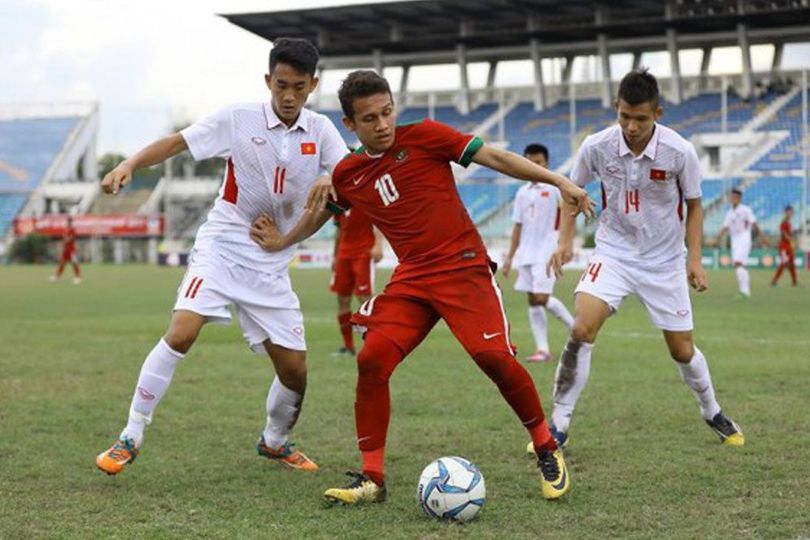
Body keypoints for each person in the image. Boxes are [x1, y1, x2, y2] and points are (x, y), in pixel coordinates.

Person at [250, 70, 595, 504]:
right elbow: (322, 214)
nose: (383, 124)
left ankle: (547, 447)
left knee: (494, 359)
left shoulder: (427, 136)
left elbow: (497, 158)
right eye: (370, 118)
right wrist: (284, 239)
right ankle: (372, 478)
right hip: (413, 277)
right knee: (372, 359)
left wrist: (560, 180)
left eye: (388, 112)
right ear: (350, 125)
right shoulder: (349, 173)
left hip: (463, 267)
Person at [95, 38, 346, 476]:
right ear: (268, 80)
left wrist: (326, 180)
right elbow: (177, 142)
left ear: (313, 86)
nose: (289, 96)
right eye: (281, 85)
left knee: (295, 372)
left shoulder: (323, 131)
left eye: (299, 88)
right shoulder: (237, 118)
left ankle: (275, 442)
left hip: (271, 261)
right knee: (182, 330)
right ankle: (130, 435)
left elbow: (346, 183)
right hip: (224, 245)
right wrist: (130, 164)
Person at [546, 69, 744, 450]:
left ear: (658, 113)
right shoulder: (596, 146)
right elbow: (572, 191)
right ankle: (558, 425)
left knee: (681, 350)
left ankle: (712, 410)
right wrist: (564, 243)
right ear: (616, 109)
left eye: (641, 118)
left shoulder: (679, 151)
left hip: (665, 261)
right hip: (614, 253)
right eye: (624, 117)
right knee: (581, 329)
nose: (631, 127)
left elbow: (695, 204)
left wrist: (695, 260)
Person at [502, 144, 574, 363]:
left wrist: (567, 245)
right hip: (526, 252)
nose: (534, 167)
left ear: (547, 164)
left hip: (547, 251)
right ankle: (542, 349)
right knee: (533, 300)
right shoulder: (522, 192)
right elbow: (517, 226)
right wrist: (510, 256)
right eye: (530, 162)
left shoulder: (555, 187)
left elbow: (569, 213)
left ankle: (576, 328)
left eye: (538, 163)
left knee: (542, 297)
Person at [330, 207, 383, 356]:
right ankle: (348, 347)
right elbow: (339, 229)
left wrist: (378, 245)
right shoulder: (339, 200)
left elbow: (378, 222)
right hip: (344, 254)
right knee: (342, 299)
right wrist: (335, 256)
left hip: (364, 253)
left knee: (364, 299)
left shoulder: (364, 194)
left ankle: (378, 345)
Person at [715, 188, 768, 298]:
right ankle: (744, 291)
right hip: (734, 240)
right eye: (732, 197)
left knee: (739, 263)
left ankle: (745, 291)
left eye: (735, 197)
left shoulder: (745, 210)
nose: (733, 199)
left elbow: (754, 223)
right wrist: (717, 239)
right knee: (738, 264)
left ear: (739, 198)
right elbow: (725, 227)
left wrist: (763, 237)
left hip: (744, 238)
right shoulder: (729, 213)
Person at [771, 205, 798, 286]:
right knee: (783, 263)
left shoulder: (789, 223)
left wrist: (792, 241)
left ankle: (794, 282)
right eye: (789, 212)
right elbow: (784, 235)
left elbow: (789, 234)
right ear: (785, 212)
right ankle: (774, 281)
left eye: (791, 212)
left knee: (792, 264)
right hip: (783, 247)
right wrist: (792, 240)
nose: (791, 213)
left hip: (789, 246)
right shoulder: (784, 222)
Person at [50, 216, 81, 284]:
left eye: (70, 221)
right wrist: (63, 243)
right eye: (68, 221)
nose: (69, 222)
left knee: (74, 263)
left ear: (71, 222)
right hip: (65, 249)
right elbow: (64, 238)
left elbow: (72, 238)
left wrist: (66, 240)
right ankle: (57, 277)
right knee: (62, 263)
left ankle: (77, 277)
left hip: (71, 249)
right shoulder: (66, 229)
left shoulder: (72, 229)